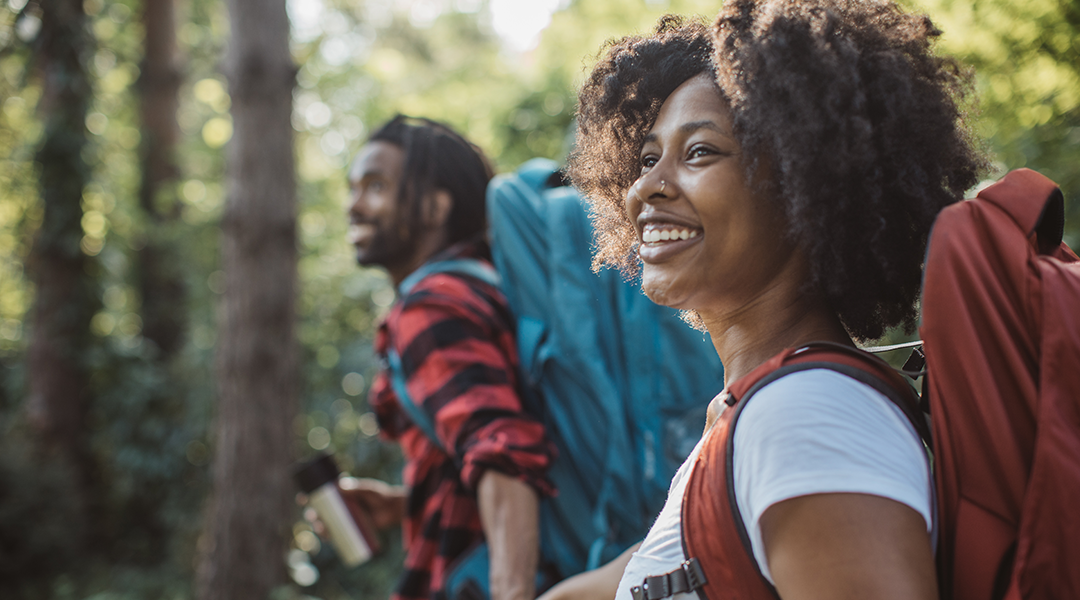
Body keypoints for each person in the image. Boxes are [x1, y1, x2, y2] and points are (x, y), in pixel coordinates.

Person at [543, 3, 986, 599]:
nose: (646, 186)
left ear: (807, 186)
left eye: (699, 152)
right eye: (647, 159)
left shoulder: (805, 414)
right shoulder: (744, 418)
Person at [340, 115, 555, 600]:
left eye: (376, 186)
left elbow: (502, 451)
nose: (354, 205)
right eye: (353, 187)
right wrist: (404, 505)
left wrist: (512, 592)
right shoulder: (487, 287)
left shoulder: (431, 307)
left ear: (436, 206)